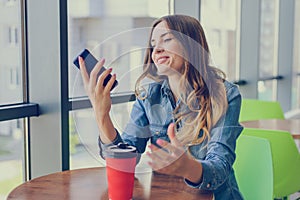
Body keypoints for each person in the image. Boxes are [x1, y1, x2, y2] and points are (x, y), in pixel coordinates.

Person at [79, 14, 244, 199]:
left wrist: (187, 166)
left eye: (166, 40)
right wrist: (102, 114)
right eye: (153, 43)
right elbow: (126, 161)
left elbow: (220, 167)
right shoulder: (149, 96)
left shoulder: (226, 95)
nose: (156, 49)